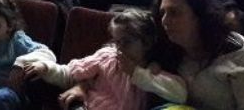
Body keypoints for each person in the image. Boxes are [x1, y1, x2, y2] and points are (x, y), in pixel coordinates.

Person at [23, 9, 187, 110]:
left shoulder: (152, 70)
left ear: (147, 43)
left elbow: (180, 94)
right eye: (117, 41)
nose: (119, 48)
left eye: (127, 42)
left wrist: (137, 74)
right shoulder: (107, 56)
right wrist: (46, 68)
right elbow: (70, 73)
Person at [153, 0, 244, 110]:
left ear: (199, 17)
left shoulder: (241, 55)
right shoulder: (170, 48)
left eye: (174, 13)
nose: (164, 21)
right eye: (162, 13)